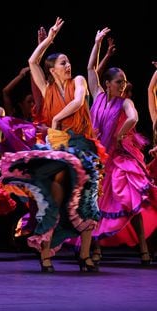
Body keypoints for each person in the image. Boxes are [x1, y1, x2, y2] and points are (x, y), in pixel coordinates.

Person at [1, 17, 104, 273]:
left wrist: (57, 118)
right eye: (63, 63)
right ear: (52, 70)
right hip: (58, 150)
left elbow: (80, 102)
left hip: (82, 147)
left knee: (86, 201)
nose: (68, 65)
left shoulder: (77, 81)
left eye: (68, 61)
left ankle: (84, 255)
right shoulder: (47, 89)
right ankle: (46, 254)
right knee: (52, 197)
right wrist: (49, 40)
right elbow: (32, 62)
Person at [88, 28, 157, 265]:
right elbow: (90, 69)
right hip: (98, 159)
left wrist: (120, 132)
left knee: (131, 199)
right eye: (119, 81)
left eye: (124, 82)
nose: (122, 85)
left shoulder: (124, 101)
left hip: (117, 157)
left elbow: (134, 117)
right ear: (107, 84)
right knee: (94, 203)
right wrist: (97, 43)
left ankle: (143, 247)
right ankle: (95, 248)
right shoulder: (97, 95)